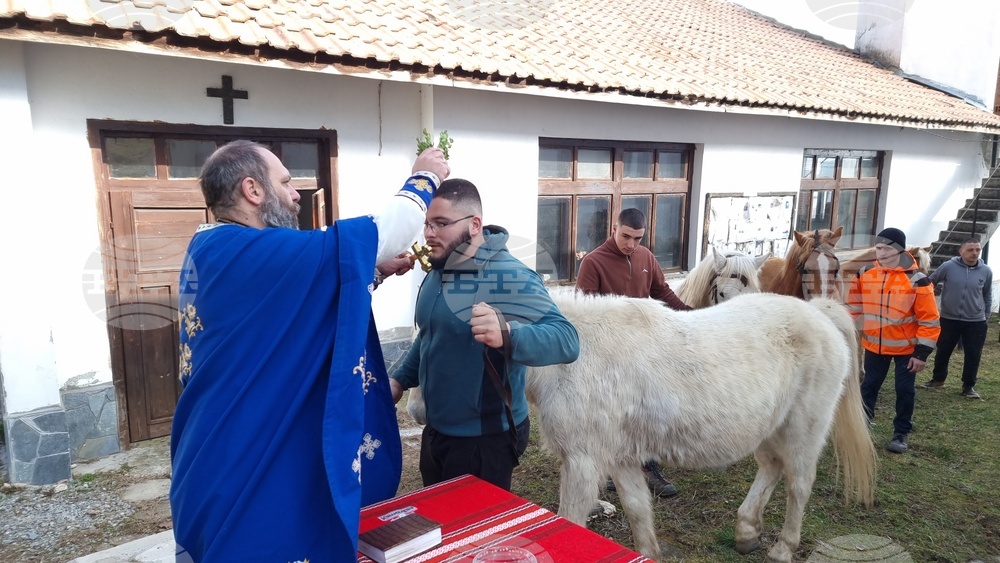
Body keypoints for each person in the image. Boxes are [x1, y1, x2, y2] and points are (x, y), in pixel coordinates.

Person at [170, 140, 450, 562]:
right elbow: (386, 230)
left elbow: (288, 314)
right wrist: (424, 175)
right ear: (253, 190)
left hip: (218, 446)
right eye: (285, 182)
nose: (296, 193)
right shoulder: (252, 250)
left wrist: (370, 272)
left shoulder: (214, 247)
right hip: (244, 455)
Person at [389, 178, 580, 491]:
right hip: (437, 433)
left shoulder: (509, 275)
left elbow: (566, 339)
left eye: (440, 223)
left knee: (475, 538)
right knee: (440, 531)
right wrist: (399, 380)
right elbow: (430, 335)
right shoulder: (439, 269)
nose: (428, 233)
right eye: (426, 223)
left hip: (485, 440)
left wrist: (508, 334)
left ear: (474, 224)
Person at [576, 207, 691, 498]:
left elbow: (662, 292)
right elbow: (584, 313)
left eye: (637, 238)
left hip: (645, 352)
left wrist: (691, 316)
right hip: (608, 355)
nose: (631, 244)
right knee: (612, 414)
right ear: (614, 228)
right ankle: (612, 468)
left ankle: (648, 468)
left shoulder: (646, 257)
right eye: (626, 236)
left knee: (646, 411)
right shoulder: (593, 262)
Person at [846, 227, 940, 454]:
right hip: (874, 346)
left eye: (887, 248)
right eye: (878, 248)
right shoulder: (865, 273)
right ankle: (863, 427)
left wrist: (921, 354)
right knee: (868, 387)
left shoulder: (918, 280)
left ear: (900, 249)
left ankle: (901, 433)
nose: (881, 253)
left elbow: (929, 320)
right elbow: (854, 308)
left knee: (904, 390)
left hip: (907, 350)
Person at [922, 237, 992, 398]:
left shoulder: (986, 271)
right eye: (970, 250)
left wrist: (985, 315)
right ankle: (938, 380)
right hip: (949, 318)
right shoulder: (948, 266)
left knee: (973, 353)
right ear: (961, 251)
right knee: (943, 350)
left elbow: (987, 294)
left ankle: (968, 386)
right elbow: (930, 283)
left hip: (975, 321)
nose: (974, 253)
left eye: (977, 250)